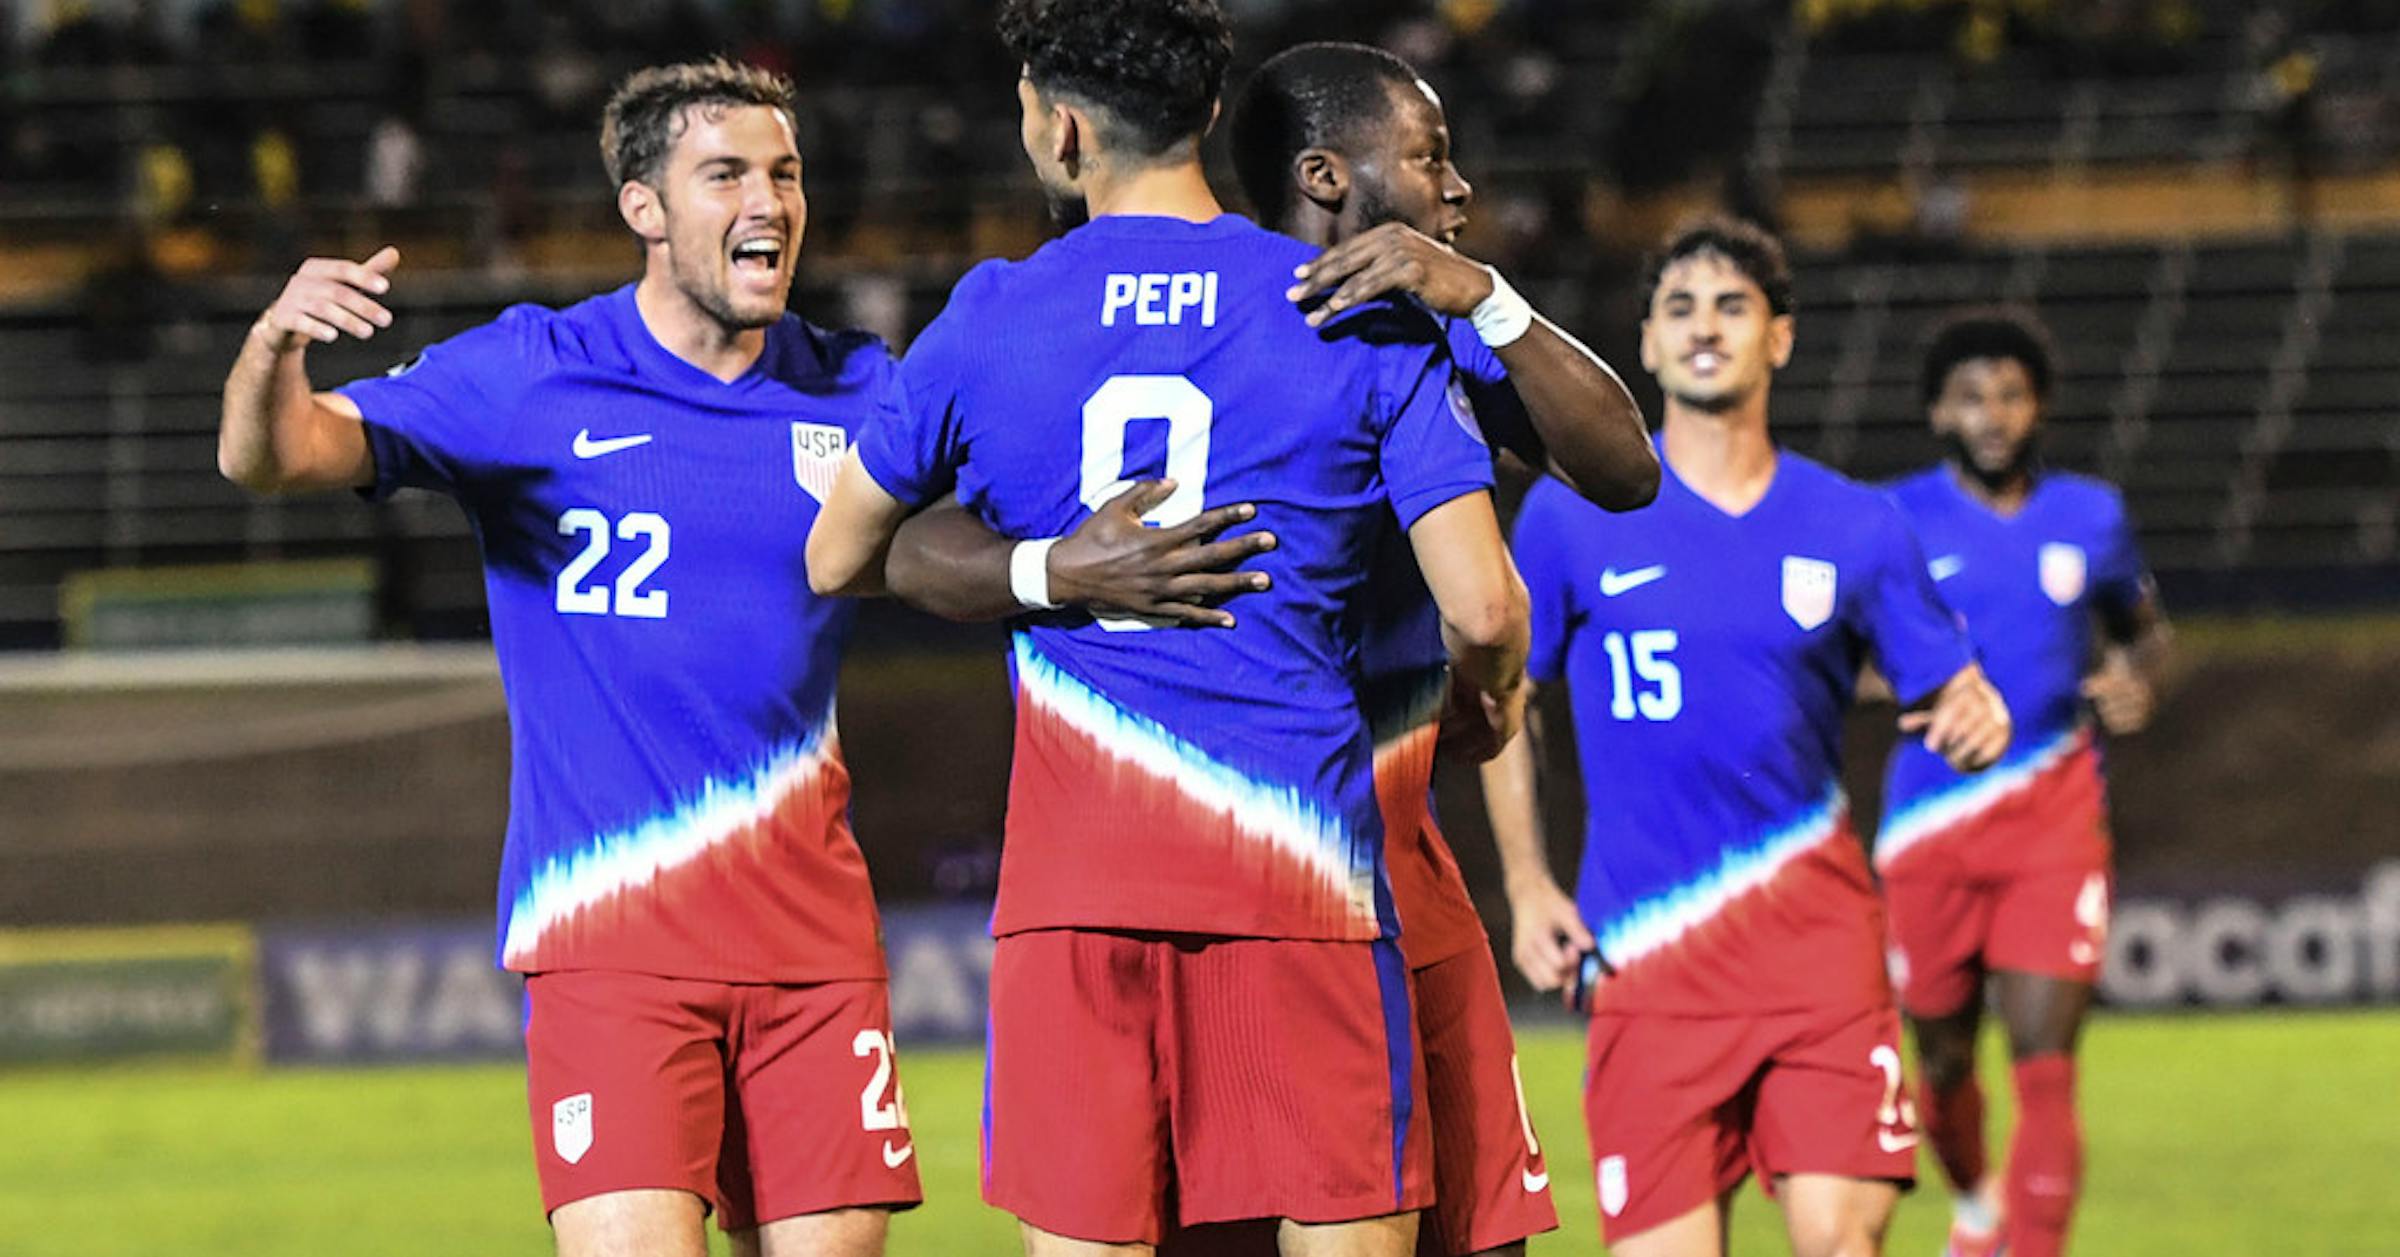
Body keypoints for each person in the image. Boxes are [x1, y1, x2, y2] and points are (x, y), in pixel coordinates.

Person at [213, 57, 1248, 1257]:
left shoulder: (860, 388)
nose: (769, 201)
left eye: (785, 172)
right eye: (726, 175)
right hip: (613, 946)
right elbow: (278, 453)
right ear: (644, 208)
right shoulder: (531, 374)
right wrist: (273, 348)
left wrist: (1067, 564)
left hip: (815, 955)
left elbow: (978, 537)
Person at [877, 40, 1658, 1257]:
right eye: (1429, 157)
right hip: (1299, 880)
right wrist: (1493, 691)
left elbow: (1623, 467)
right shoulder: (1334, 342)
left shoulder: (1427, 327)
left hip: (1369, 863)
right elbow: (1498, 602)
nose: (1456, 189)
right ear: (1326, 175)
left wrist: (1483, 294)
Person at [1478, 216, 2014, 1257]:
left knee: (1841, 1242)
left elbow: (1957, 694)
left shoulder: (1856, 524)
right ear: (1644, 345)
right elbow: (1504, 701)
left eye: (1733, 305)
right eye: (1678, 308)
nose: (1704, 327)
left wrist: (1976, 718)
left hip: (1819, 961)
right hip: (1647, 960)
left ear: (1781, 337)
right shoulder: (1567, 516)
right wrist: (1529, 883)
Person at [1873, 310, 2170, 1257]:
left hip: (2055, 806)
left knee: (2047, 1059)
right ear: (1937, 413)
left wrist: (2138, 681)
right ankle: (1974, 1207)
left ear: (2038, 405)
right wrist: (1907, 685)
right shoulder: (1894, 519)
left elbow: (2146, 632)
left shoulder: (2093, 516)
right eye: (1970, 396)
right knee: (1946, 1056)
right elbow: (1840, 653)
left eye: (2009, 393)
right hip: (1930, 821)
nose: (1992, 414)